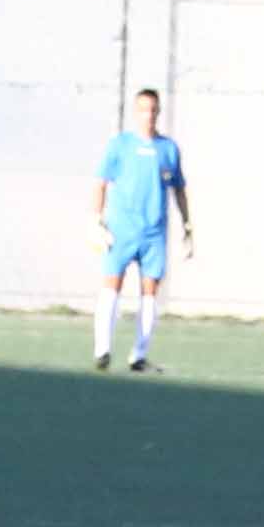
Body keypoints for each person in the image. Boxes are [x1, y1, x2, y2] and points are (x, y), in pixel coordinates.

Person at [90, 85, 190, 373]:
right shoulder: (120, 145)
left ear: (159, 112)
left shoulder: (168, 149)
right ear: (136, 112)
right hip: (121, 230)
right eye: (144, 110)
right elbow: (100, 182)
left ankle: (138, 355)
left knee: (149, 291)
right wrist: (96, 221)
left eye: (153, 110)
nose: (149, 115)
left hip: (153, 233)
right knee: (111, 285)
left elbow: (179, 190)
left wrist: (187, 225)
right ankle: (102, 350)